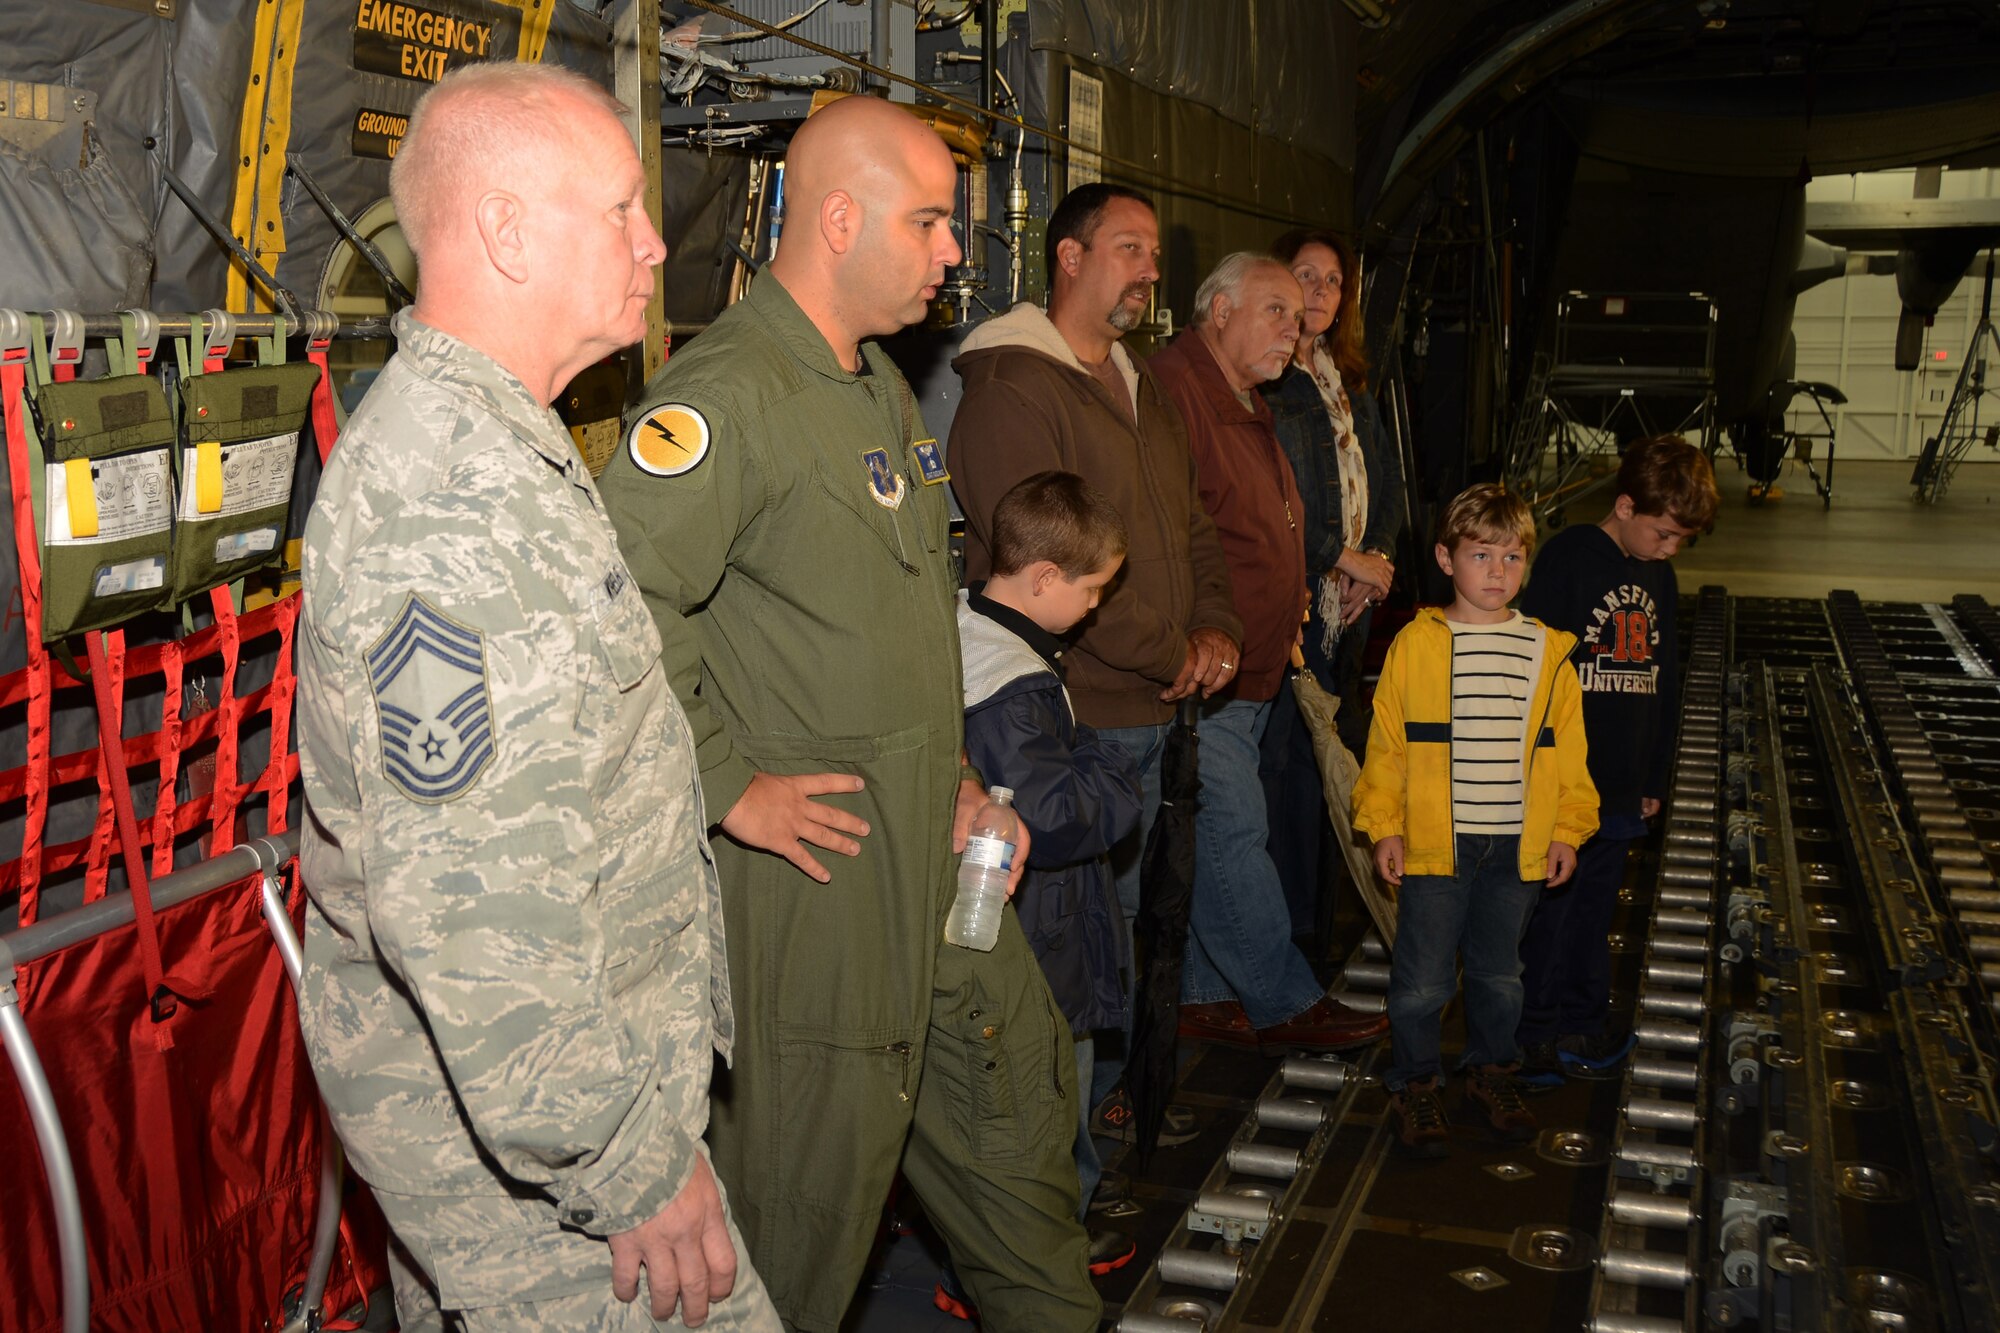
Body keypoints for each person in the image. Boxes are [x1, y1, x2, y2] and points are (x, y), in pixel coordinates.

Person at [598, 95, 1096, 1333]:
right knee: (795, 1212)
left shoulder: (870, 386)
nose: (950, 251)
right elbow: (615, 602)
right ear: (837, 219)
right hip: (815, 890)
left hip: (929, 853)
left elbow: (900, 623)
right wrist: (727, 786)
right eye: (927, 221)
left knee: (1012, 1124)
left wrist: (965, 786)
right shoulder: (728, 398)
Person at [294, 65, 777, 1332]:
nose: (653, 240)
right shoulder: (450, 503)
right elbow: (473, 909)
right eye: (620, 206)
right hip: (551, 1173)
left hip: (549, 1126)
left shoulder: (505, 444)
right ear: (504, 231)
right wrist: (631, 1167)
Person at [948, 182, 1242, 1125]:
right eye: (1129, 248)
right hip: (1076, 716)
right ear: (1069, 258)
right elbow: (1050, 567)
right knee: (1078, 935)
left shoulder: (1139, 381)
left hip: (1161, 699)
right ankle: (1058, 1139)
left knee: (1130, 930)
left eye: (1154, 254)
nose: (1151, 272)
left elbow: (1192, 521)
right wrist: (1169, 651)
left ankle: (1113, 1102)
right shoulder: (1011, 391)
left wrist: (1218, 630)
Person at [1149, 252, 1389, 1052]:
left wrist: (1284, 611)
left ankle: (1208, 994)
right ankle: (1283, 999)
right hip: (1209, 668)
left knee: (1220, 832)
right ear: (1219, 311)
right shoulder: (1176, 392)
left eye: (1301, 312)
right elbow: (1173, 532)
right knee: (1233, 834)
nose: (1295, 329)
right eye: (1276, 311)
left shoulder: (1241, 393)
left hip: (1253, 659)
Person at [1351, 484, 1600, 1157]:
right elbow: (1389, 746)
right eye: (1481, 554)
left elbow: (1570, 756)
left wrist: (1567, 830)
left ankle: (1493, 1070)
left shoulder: (1548, 654)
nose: (1497, 571)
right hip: (1437, 847)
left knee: (1499, 974)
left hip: (1516, 848)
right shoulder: (1416, 645)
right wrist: (1385, 824)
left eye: (1513, 557)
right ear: (1445, 558)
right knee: (1423, 977)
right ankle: (1417, 1082)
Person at [956, 470, 1142, 1278]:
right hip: (1038, 929)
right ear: (1042, 579)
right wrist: (1110, 759)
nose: (1096, 606)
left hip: (1023, 921)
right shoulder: (1012, 686)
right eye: (1092, 590)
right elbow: (1058, 814)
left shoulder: (967, 624)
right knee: (1048, 1092)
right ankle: (1040, 1252)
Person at [1514, 436, 1718, 1087]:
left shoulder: (1659, 571)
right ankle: (1533, 1033)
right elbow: (1536, 673)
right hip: (1566, 784)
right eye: (1662, 533)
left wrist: (1653, 775)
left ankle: (1581, 1018)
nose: (1670, 549)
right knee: (1550, 910)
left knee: (1597, 908)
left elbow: (1664, 676)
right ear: (1625, 504)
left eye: (1681, 539)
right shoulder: (1570, 558)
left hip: (1622, 785)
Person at [1258, 229, 1398, 939]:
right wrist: (1343, 561)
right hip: (1302, 599)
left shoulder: (1349, 378)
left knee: (1335, 766)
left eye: (1332, 281)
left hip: (1352, 603)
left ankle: (1323, 926)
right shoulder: (1272, 380)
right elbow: (1275, 501)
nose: (1318, 291)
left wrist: (1379, 566)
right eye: (1303, 275)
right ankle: (1289, 935)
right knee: (1287, 769)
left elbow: (1390, 482)